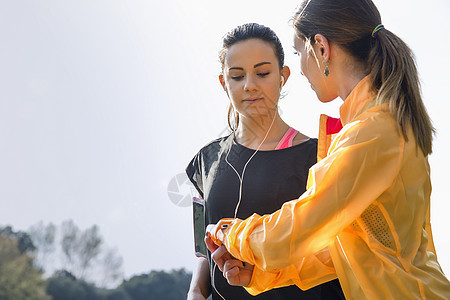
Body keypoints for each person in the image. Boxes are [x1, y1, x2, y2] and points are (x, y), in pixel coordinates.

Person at [206, 1, 450, 299]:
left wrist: (230, 234)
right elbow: (345, 249)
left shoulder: (373, 131)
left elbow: (300, 225)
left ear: (321, 48)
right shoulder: (375, 124)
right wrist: (263, 273)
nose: (299, 67)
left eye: (298, 52)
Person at [186, 23, 345, 299]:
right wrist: (196, 291)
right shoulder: (206, 160)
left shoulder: (322, 156)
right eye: (237, 76)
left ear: (283, 76)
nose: (250, 85)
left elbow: (337, 250)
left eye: (262, 73)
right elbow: (204, 247)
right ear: (224, 83)